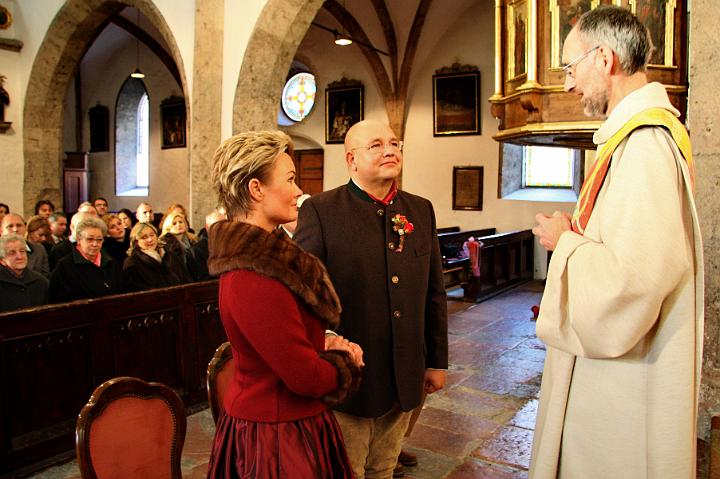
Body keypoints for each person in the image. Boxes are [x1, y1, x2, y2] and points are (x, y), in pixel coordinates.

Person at [529, 6, 703, 479]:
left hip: (624, 377)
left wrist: (565, 242)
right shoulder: (630, 139)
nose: (568, 85)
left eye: (571, 67)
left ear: (604, 58)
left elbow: (634, 280)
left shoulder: (644, 145)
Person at [294, 120, 448, 479]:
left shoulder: (420, 209)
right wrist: (324, 342)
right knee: (346, 471)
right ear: (351, 159)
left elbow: (434, 291)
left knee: (384, 468)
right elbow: (303, 293)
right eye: (376, 145)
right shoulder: (321, 210)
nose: (389, 150)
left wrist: (437, 361)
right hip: (351, 376)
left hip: (405, 371)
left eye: (394, 143)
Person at [205, 130, 363, 478]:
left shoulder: (267, 262)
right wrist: (345, 361)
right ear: (256, 189)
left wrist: (324, 342)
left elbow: (284, 340)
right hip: (275, 439)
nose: (298, 191)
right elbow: (304, 377)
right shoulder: (253, 275)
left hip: (287, 422)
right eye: (290, 179)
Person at [49, 216, 124, 302]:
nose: (95, 244)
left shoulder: (111, 264)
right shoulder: (64, 267)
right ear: (79, 240)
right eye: (90, 239)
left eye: (99, 240)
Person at [122, 222, 190, 291]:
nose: (150, 240)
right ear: (136, 242)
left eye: (152, 235)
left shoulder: (170, 255)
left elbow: (186, 279)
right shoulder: (132, 263)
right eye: (144, 237)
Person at [0, 234, 49, 313]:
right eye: (12, 253)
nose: (20, 257)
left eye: (22, 251)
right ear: (2, 260)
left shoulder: (40, 282)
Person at [1, 213, 50, 278]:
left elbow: (46, 277)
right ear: (1, 231)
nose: (15, 229)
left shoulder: (39, 249)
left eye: (19, 225)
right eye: (10, 226)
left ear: (25, 228)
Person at [187, 209, 226, 281]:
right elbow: (202, 278)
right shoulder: (196, 250)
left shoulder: (231, 243)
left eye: (225, 224)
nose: (222, 228)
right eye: (217, 225)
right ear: (207, 227)